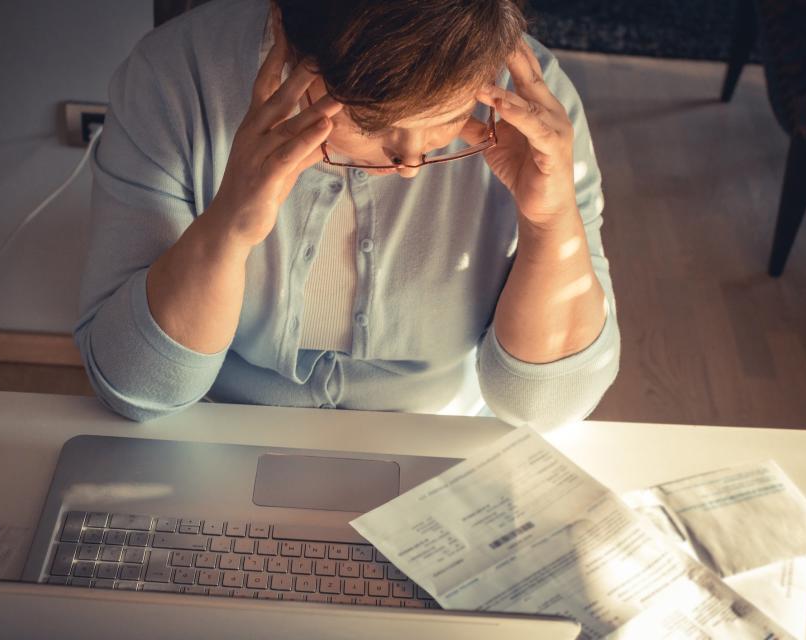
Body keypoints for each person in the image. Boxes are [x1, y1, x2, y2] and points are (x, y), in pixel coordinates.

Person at [74, 0, 620, 427]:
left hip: (440, 442)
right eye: (372, 124)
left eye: (447, 117)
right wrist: (230, 225)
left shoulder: (530, 107)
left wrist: (551, 225)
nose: (410, 163)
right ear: (285, 36)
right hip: (213, 428)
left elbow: (547, 406)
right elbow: (136, 387)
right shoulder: (176, 76)